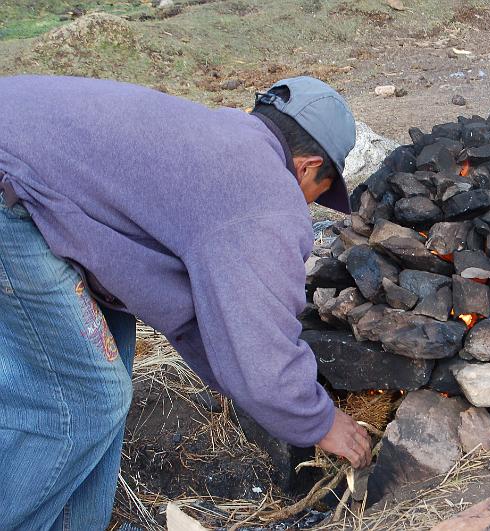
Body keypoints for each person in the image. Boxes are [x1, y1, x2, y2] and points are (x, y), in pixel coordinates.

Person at [0, 74, 372, 530]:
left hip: (27, 168)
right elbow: (259, 348)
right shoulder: (262, 196)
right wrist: (317, 421)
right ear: (306, 166)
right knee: (82, 401)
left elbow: (198, 316)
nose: (311, 204)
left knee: (107, 367)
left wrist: (245, 386)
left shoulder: (223, 142)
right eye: (321, 190)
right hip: (12, 189)